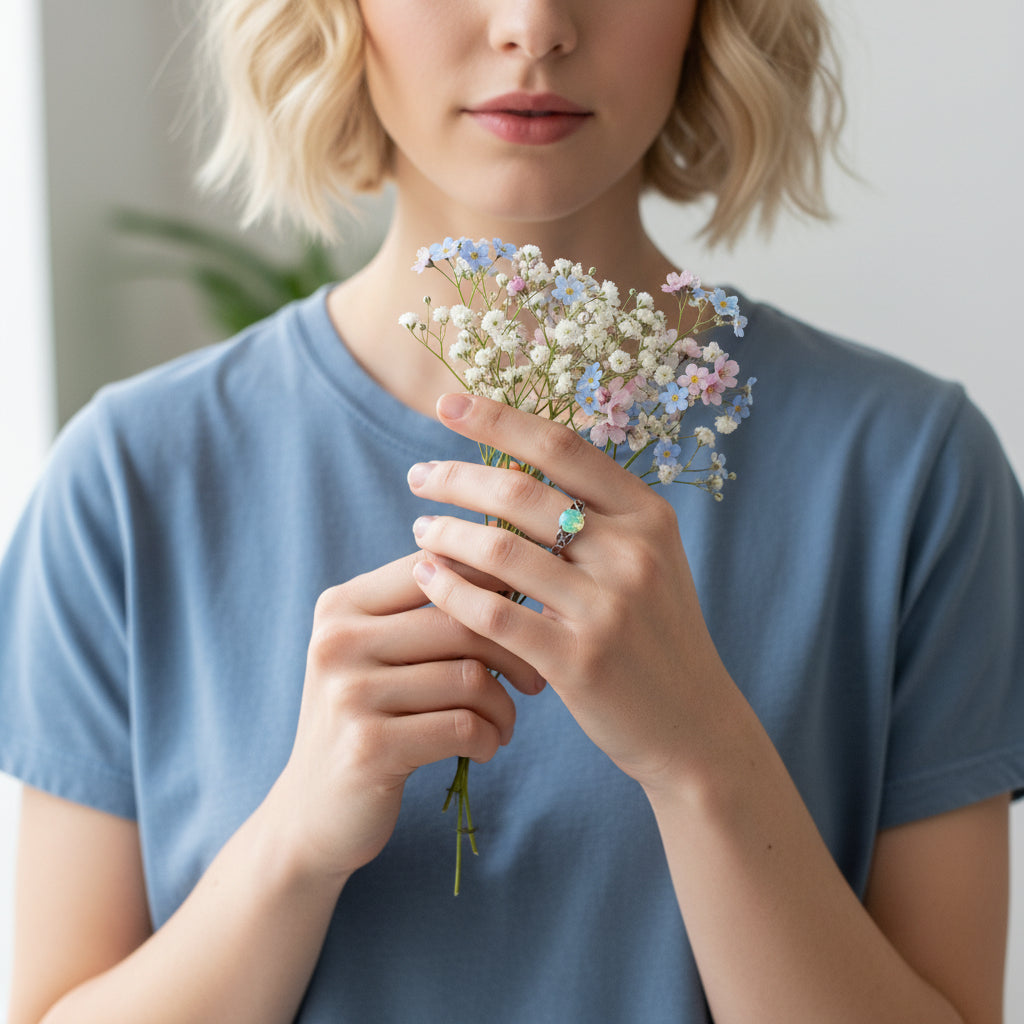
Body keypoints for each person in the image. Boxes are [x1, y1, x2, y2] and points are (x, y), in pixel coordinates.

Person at [2, 1, 1022, 1021]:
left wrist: (701, 755)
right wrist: (293, 846)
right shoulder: (129, 480)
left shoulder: (912, 474)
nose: (534, 28)